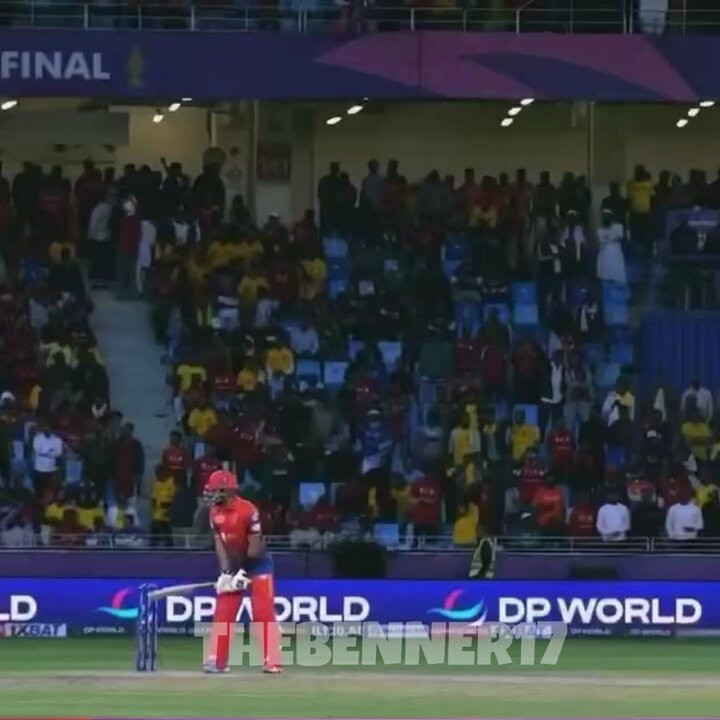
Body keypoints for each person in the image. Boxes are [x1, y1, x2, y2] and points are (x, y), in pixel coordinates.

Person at [203, 469, 281, 674]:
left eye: (215, 490)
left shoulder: (248, 510)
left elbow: (255, 547)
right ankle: (217, 661)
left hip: (258, 564)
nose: (211, 494)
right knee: (224, 610)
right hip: (234, 565)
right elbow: (219, 543)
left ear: (228, 490)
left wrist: (243, 573)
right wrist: (226, 572)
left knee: (262, 611)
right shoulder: (214, 512)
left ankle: (272, 660)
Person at [596, 209, 626, 284]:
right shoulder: (600, 230)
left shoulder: (618, 227)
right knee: (605, 278)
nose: (605, 218)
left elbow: (619, 238)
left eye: (607, 216)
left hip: (615, 254)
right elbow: (600, 241)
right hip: (604, 255)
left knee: (616, 277)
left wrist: (608, 240)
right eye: (604, 216)